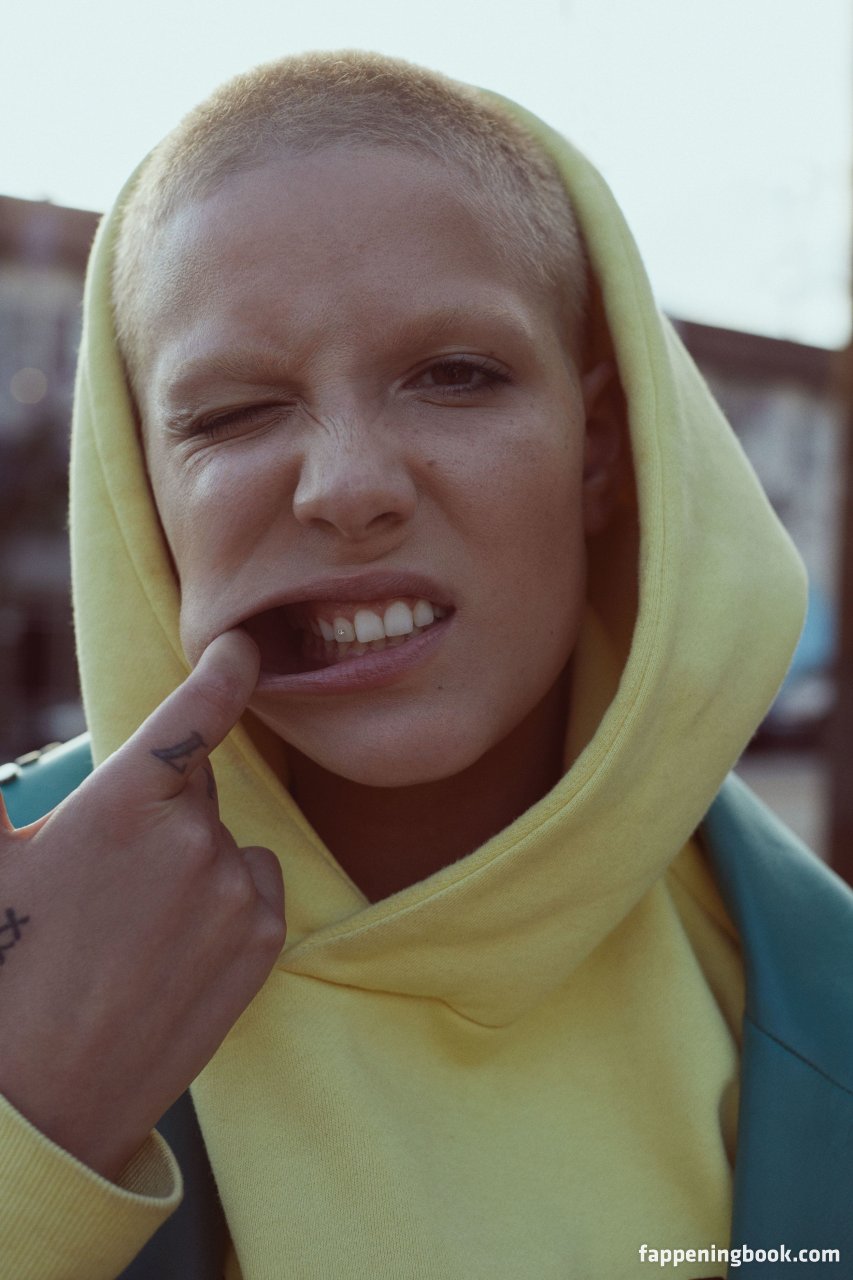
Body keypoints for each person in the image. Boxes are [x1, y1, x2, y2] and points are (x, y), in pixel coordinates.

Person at [1, 50, 851, 1280]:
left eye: (454, 376)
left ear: (599, 448)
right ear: (141, 495)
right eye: (232, 414)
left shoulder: (813, 994)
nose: (347, 486)